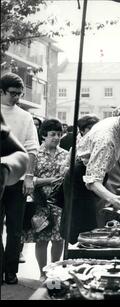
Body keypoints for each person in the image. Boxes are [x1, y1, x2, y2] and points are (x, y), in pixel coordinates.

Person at [60, 99, 120, 244]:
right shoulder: (107, 139)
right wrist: (112, 198)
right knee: (84, 234)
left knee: (93, 228)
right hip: (81, 181)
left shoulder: (118, 125)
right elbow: (91, 181)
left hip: (89, 177)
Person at [0, 73, 39, 285]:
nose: (16, 97)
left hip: (17, 181)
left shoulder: (25, 117)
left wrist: (29, 177)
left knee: (15, 229)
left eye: (19, 94)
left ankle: (10, 271)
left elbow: (32, 149)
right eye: (12, 93)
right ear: (1, 91)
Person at [22, 119, 68, 281]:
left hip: (60, 202)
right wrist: (47, 181)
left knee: (58, 238)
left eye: (59, 134)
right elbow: (29, 178)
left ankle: (54, 272)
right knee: (42, 239)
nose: (56, 137)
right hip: (41, 201)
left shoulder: (66, 154)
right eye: (52, 134)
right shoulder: (35, 155)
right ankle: (42, 273)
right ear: (43, 135)